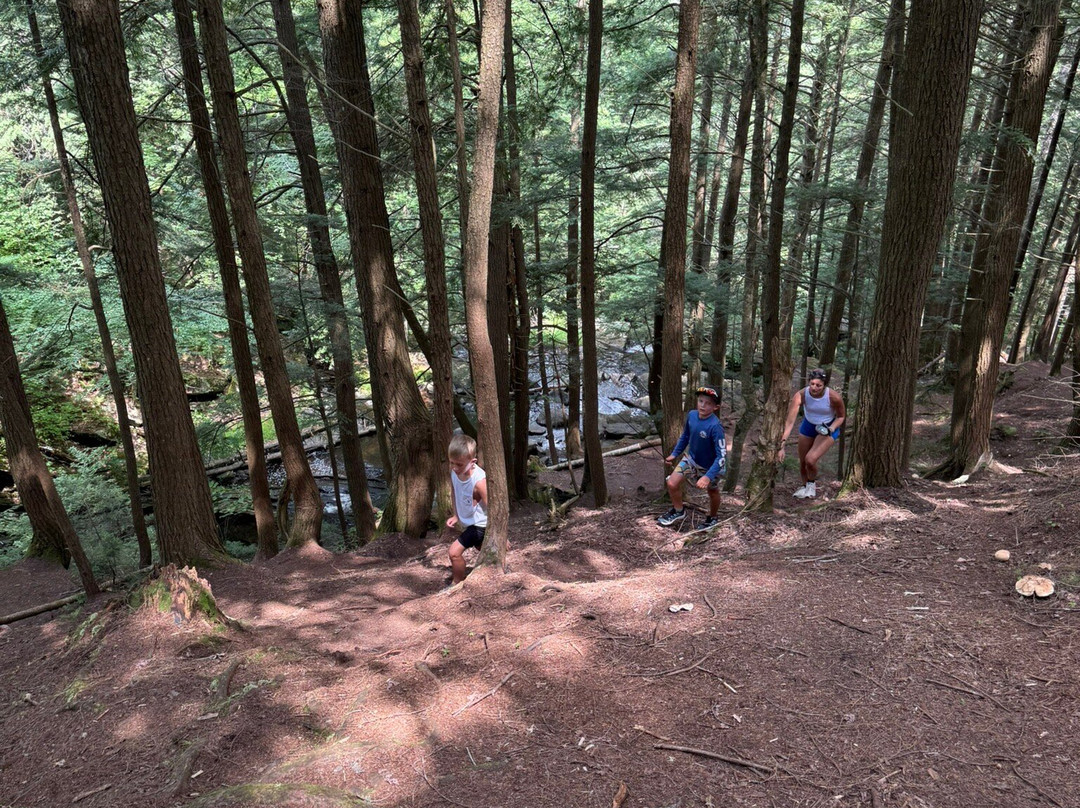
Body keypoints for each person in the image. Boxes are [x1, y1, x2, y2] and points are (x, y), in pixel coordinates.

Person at [658, 386, 727, 529]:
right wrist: (674, 454)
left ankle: (712, 517)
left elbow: (721, 456)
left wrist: (707, 477)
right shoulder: (692, 415)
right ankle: (679, 511)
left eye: (708, 403)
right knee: (671, 483)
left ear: (715, 407)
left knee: (712, 491)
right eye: (701, 401)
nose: (703, 405)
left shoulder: (715, 427)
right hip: (691, 460)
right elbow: (685, 436)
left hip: (711, 467)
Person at [779, 368, 846, 499]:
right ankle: (805, 488)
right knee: (803, 462)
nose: (814, 388)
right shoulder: (801, 395)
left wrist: (832, 428)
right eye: (812, 384)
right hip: (808, 426)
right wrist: (782, 445)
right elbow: (790, 422)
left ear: (824, 385)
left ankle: (811, 485)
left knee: (810, 459)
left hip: (827, 427)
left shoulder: (833, 397)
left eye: (818, 385)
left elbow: (841, 417)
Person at [446, 434, 488, 584]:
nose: (455, 468)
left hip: (480, 524)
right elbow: (454, 492)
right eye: (452, 463)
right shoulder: (454, 473)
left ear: (472, 462)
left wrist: (500, 532)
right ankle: (494, 568)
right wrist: (456, 515)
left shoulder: (479, 481)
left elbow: (493, 507)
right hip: (469, 522)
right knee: (482, 547)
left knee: (454, 553)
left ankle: (457, 582)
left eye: (459, 464)